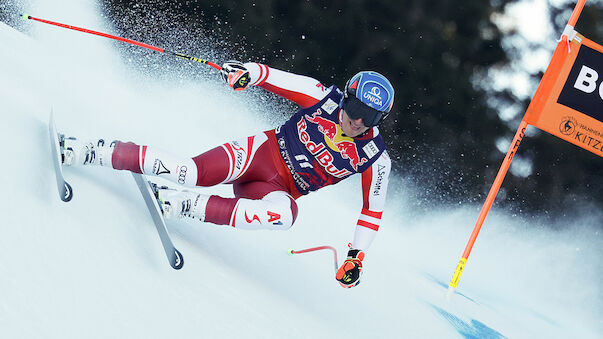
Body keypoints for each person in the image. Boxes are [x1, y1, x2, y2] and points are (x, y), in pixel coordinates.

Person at [60, 61, 394, 288]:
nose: (359, 121)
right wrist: (243, 73)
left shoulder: (375, 158)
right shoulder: (322, 97)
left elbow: (371, 210)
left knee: (286, 215)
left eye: (371, 117)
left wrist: (356, 257)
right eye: (356, 109)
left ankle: (184, 205)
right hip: (259, 155)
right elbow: (269, 75)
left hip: (274, 189)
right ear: (346, 98)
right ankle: (94, 150)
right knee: (188, 171)